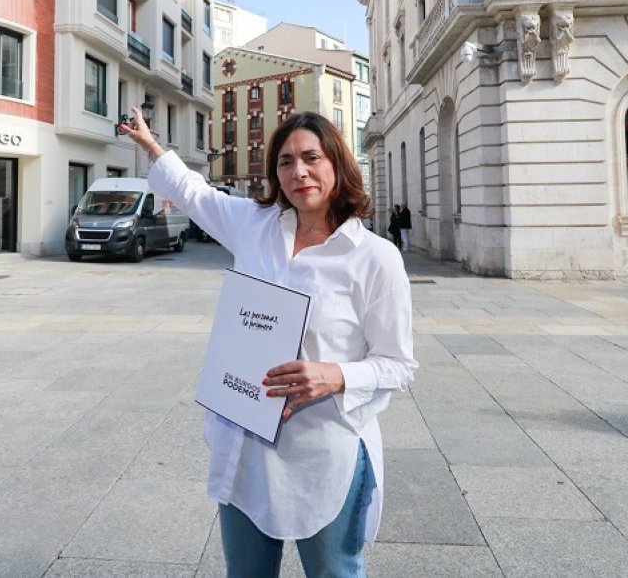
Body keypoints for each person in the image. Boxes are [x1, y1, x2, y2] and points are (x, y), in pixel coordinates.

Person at [120, 106, 416, 576]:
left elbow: (398, 363)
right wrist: (153, 147)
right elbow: (195, 194)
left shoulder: (375, 259)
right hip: (246, 448)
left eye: (311, 157)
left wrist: (334, 376)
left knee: (334, 573)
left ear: (337, 162)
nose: (298, 171)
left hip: (323, 452)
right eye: (284, 161)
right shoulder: (255, 225)